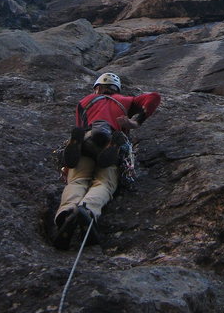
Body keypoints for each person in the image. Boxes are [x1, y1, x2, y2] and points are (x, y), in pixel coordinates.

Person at [53, 72, 160, 250]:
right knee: (104, 182)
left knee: (77, 179)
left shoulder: (84, 101)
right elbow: (154, 97)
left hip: (85, 140)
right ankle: (87, 210)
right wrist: (135, 121)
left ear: (97, 88)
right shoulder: (125, 100)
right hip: (111, 139)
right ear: (116, 88)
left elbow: (80, 124)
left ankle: (67, 211)